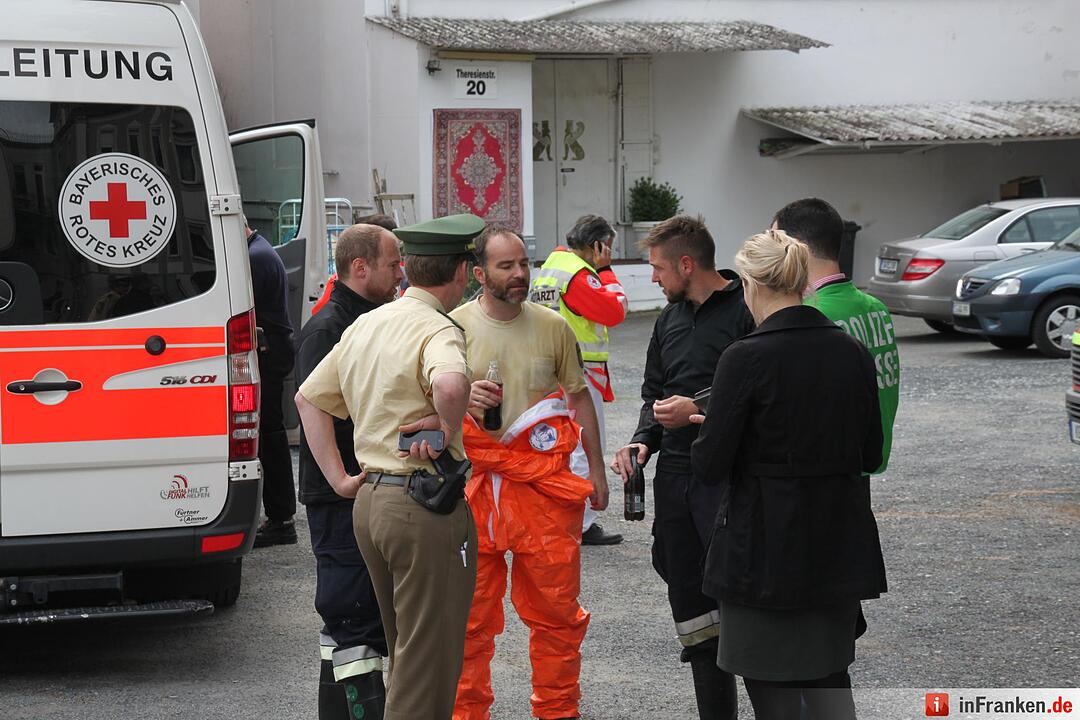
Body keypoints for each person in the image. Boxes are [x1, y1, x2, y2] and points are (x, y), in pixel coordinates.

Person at [690, 230, 887, 720]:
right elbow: (870, 451)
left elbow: (710, 464)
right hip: (835, 545)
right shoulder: (852, 352)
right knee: (830, 691)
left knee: (772, 693)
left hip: (764, 549)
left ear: (754, 284)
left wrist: (710, 429)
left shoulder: (745, 357)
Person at [295, 214, 484, 720]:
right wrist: (445, 428)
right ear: (461, 271)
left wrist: (339, 478)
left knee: (402, 653)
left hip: (372, 501)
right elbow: (448, 385)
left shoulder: (368, 321)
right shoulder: (438, 327)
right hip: (422, 505)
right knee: (426, 666)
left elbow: (309, 399)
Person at [451, 225, 608, 720]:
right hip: (474, 493)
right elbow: (419, 408)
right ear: (479, 273)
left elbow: (578, 398)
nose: (520, 274)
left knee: (557, 619)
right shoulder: (451, 328)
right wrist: (460, 402)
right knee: (468, 623)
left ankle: (558, 713)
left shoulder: (552, 327)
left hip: (544, 497)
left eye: (524, 263)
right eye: (506, 266)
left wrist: (598, 473)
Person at [610, 216, 752, 720]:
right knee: (689, 599)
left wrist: (698, 407)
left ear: (686, 265)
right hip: (675, 475)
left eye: (657, 269)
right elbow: (653, 393)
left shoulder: (747, 310)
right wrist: (640, 440)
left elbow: (756, 391)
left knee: (740, 596)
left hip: (727, 477)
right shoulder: (667, 320)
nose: (653, 279)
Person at [296, 224, 402, 720]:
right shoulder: (330, 327)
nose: (401, 271)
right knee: (355, 621)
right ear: (361, 268)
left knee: (345, 626)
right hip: (343, 497)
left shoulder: (364, 318)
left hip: (355, 491)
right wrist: (342, 480)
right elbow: (311, 407)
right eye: (393, 262)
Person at [771, 198, 900, 474]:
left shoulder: (807, 314)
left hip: (826, 469)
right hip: (865, 456)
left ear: (797, 248)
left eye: (774, 242)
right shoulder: (875, 307)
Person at [530, 214, 627, 546]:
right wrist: (605, 269)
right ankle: (582, 523)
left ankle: (558, 514)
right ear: (596, 245)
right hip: (580, 371)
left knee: (557, 443)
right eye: (607, 248)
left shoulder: (551, 265)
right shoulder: (580, 274)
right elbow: (615, 312)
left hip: (552, 366)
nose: (608, 253)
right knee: (585, 444)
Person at [246, 215, 297, 547]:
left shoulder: (253, 258)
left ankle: (280, 519)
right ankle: (280, 516)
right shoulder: (260, 249)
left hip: (268, 353)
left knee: (269, 436)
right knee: (269, 434)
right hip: (273, 350)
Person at [311, 213, 398, 316]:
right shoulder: (331, 322)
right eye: (392, 266)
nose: (400, 274)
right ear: (360, 267)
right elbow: (320, 312)